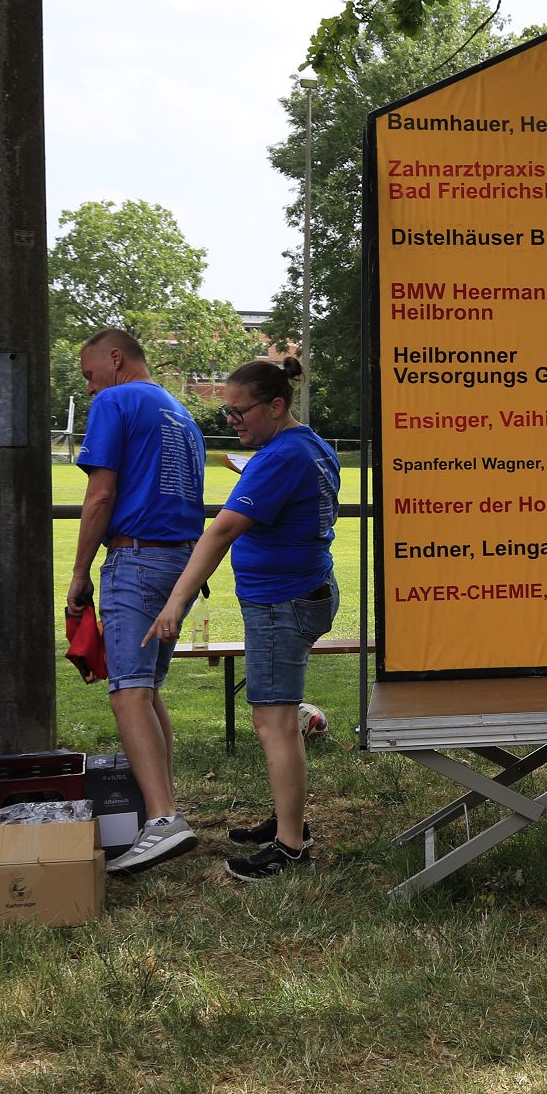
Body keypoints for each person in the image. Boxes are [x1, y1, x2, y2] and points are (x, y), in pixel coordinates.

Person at [148, 357, 338, 881]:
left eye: (239, 412)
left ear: (275, 406)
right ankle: (287, 817)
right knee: (278, 720)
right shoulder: (311, 446)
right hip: (301, 591)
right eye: (227, 413)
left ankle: (291, 846)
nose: (232, 421)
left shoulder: (282, 456)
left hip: (282, 603)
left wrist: (175, 602)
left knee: (274, 724)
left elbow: (223, 531)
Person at [66, 328, 206, 874]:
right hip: (180, 563)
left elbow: (101, 493)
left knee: (128, 692)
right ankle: (163, 812)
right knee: (145, 691)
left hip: (137, 558)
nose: (89, 386)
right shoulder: (180, 412)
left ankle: (164, 819)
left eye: (89, 373)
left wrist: (80, 573)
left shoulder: (115, 401)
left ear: (115, 359)